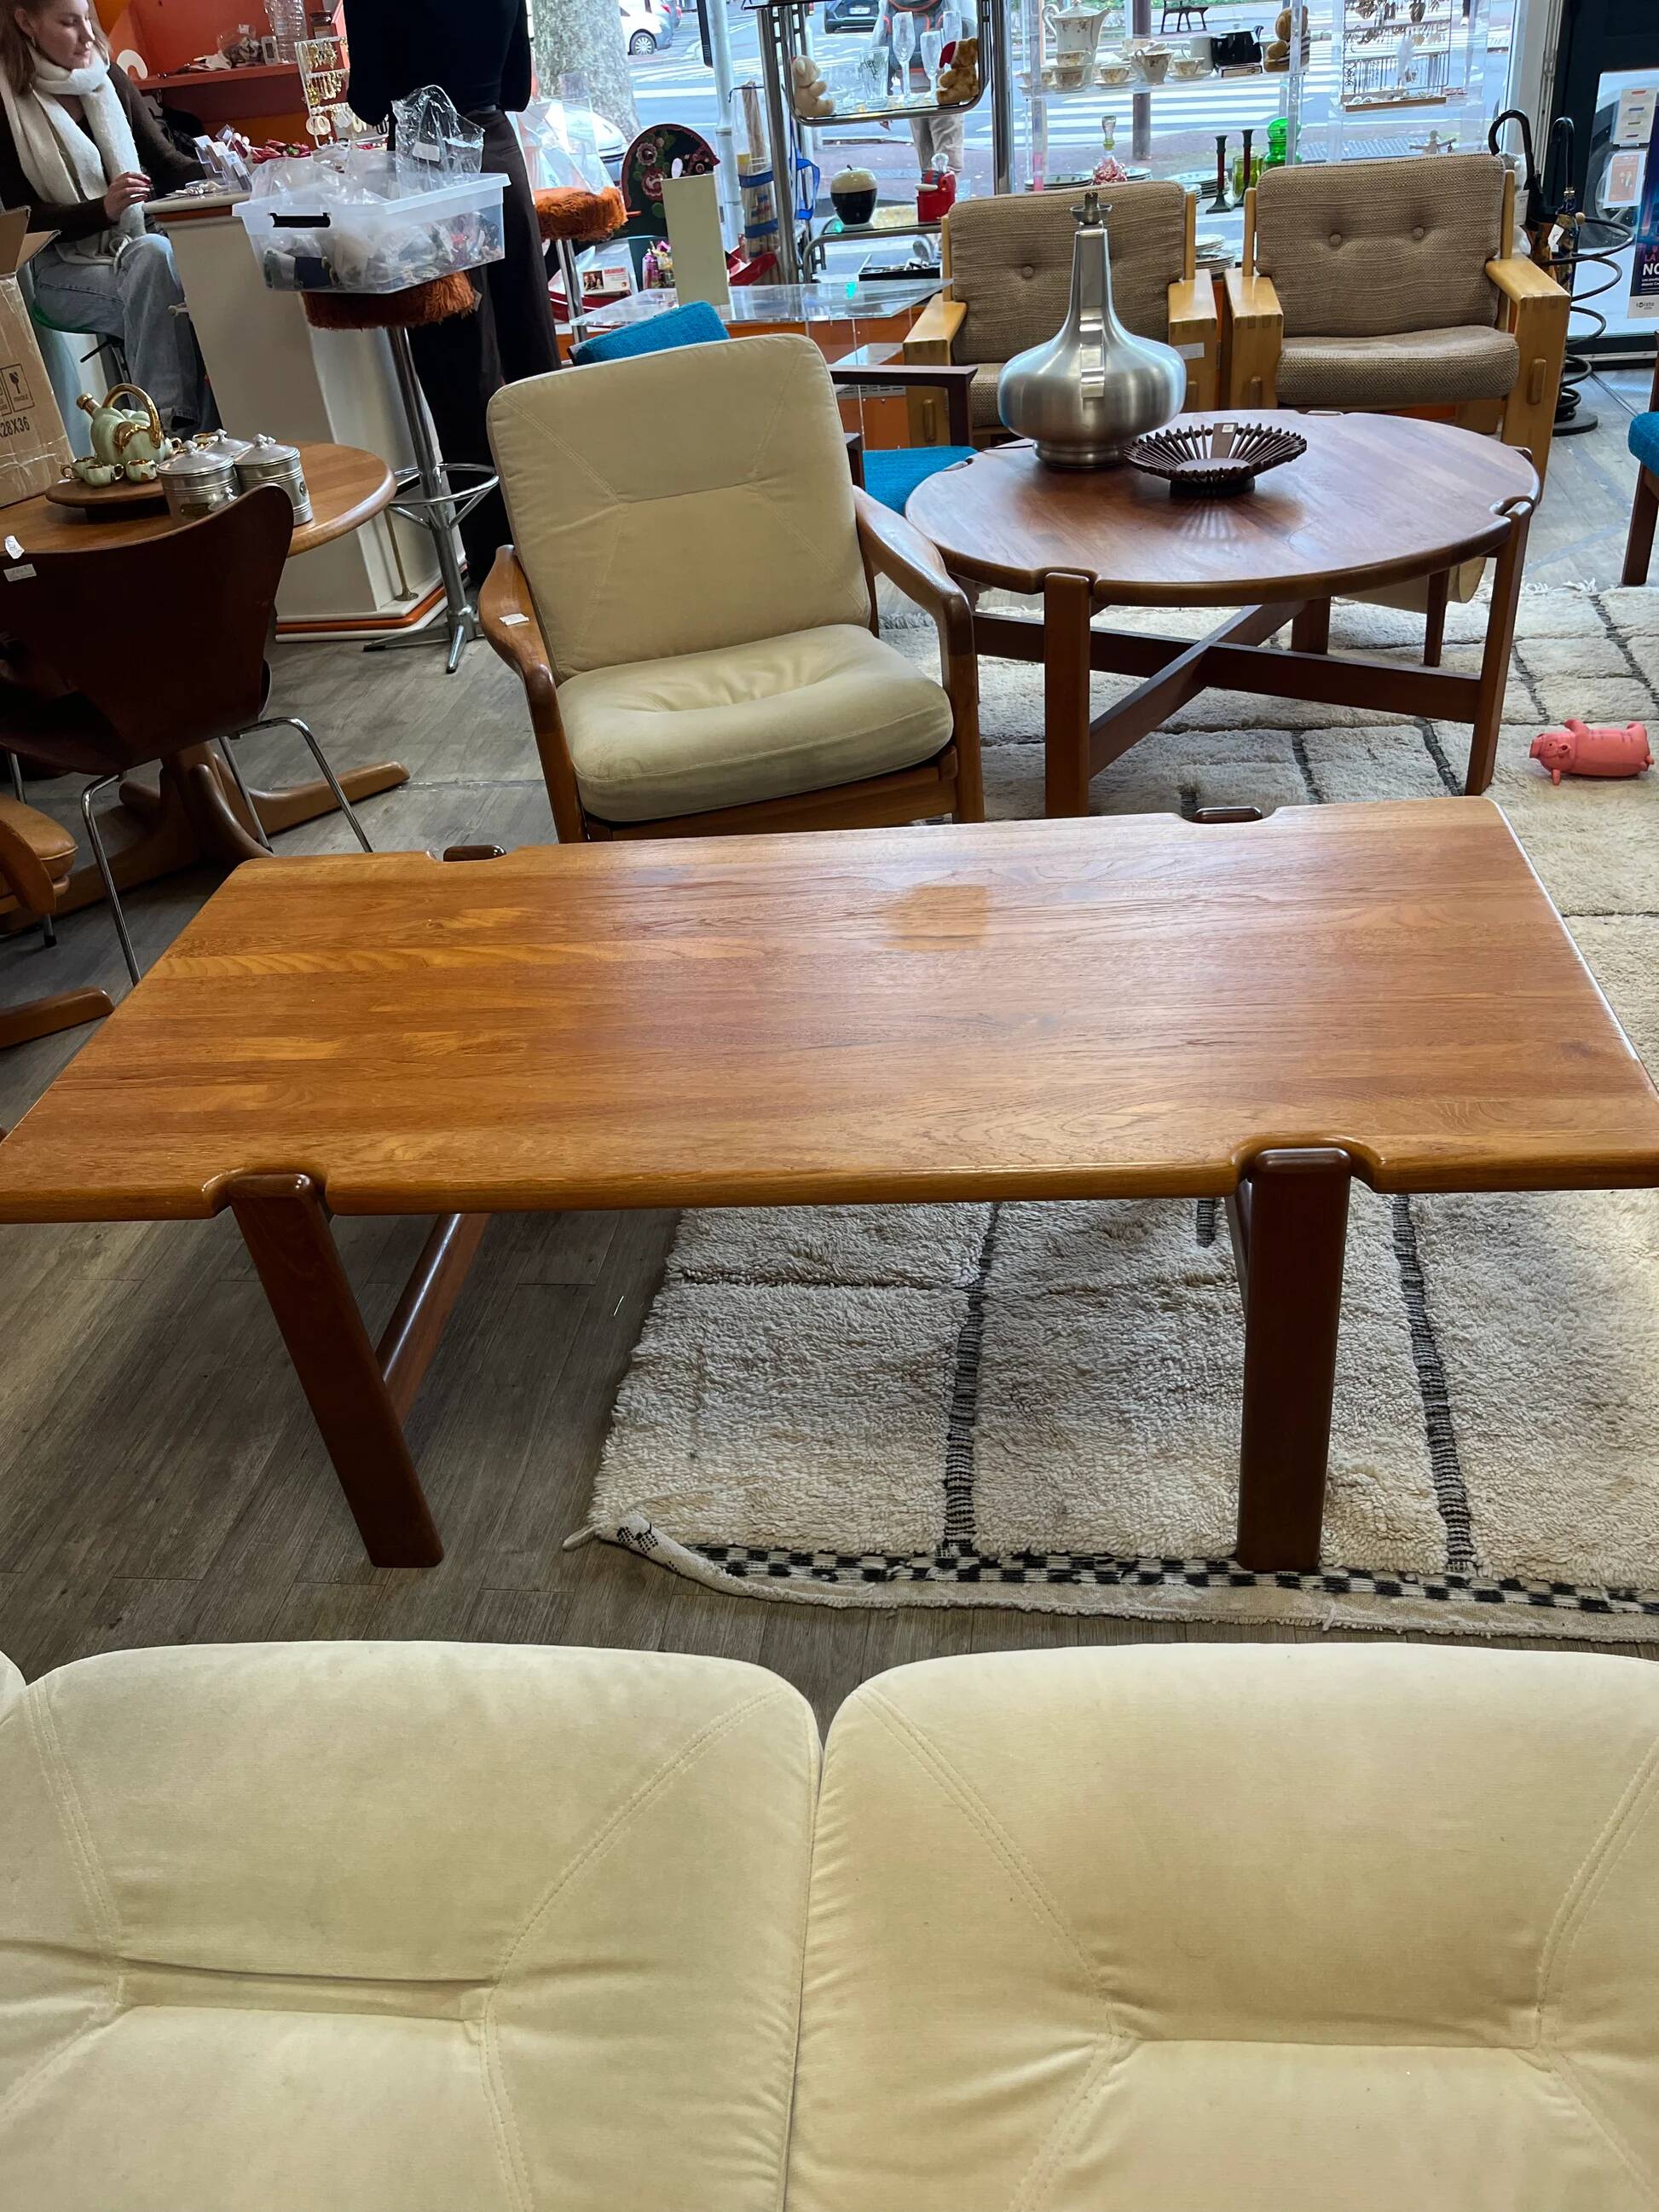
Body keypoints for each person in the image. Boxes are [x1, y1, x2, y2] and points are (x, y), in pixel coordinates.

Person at [344, 0, 559, 582]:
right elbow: (515, 89)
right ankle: (559, 535)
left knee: (460, 369)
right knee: (528, 348)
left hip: (428, 163)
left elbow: (370, 100)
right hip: (497, 152)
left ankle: (495, 567)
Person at [0, 0, 211, 431]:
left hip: (135, 254)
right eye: (69, 23)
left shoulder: (106, 75)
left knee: (167, 271)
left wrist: (228, 164)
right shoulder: (5, 99)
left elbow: (166, 164)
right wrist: (103, 210)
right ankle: (173, 433)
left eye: (88, 20)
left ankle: (158, 432)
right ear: (26, 23)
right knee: (179, 296)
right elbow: (25, 220)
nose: (88, 36)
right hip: (61, 271)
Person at [876, 0, 976, 176]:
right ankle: (945, 192)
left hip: (909, 81)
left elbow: (880, 38)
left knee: (926, 159)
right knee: (948, 161)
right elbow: (968, 27)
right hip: (945, 80)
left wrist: (883, 92)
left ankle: (930, 190)